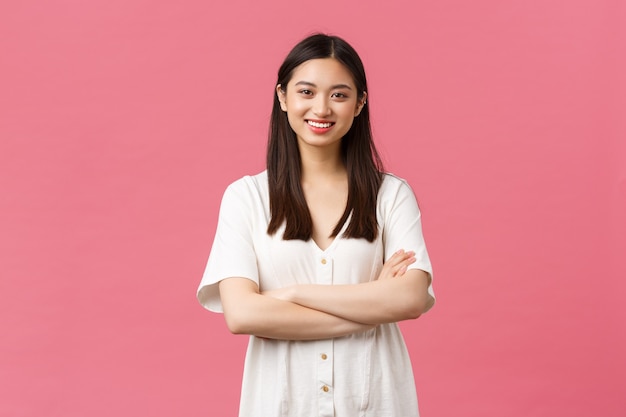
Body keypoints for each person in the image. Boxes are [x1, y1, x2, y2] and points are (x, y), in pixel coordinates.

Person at [197, 33, 435, 417]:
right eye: (306, 92)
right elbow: (242, 315)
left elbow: (408, 300)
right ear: (283, 97)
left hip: (376, 401)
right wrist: (373, 301)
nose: (321, 108)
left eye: (339, 95)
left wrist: (288, 296)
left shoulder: (391, 196)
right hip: (281, 405)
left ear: (359, 104)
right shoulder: (246, 198)